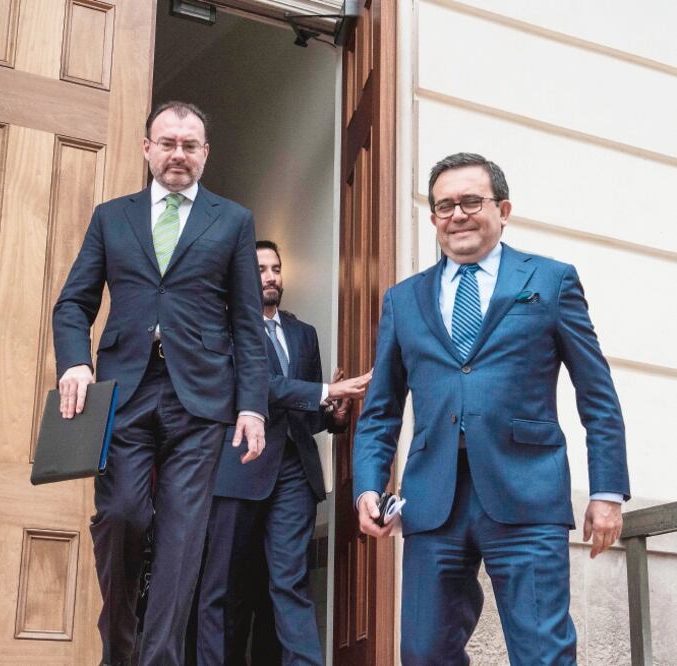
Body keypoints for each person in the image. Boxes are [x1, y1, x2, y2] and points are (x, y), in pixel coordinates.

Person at [353, 152, 630, 664]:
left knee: (541, 651)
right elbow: (381, 408)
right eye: (444, 206)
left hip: (526, 493)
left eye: (471, 201)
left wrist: (606, 491)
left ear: (503, 209)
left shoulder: (551, 280)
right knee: (422, 651)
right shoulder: (403, 299)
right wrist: (368, 485)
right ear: (433, 217)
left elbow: (597, 392)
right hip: (433, 502)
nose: (457, 214)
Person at [53, 101, 269, 666]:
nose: (178, 153)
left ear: (205, 154)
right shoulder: (111, 216)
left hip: (200, 400)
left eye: (189, 144)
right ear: (147, 148)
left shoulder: (233, 220)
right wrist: (75, 362)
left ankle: (162, 659)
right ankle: (120, 645)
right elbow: (73, 304)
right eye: (167, 142)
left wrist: (253, 407)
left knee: (181, 538)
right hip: (124, 393)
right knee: (122, 514)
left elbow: (248, 324)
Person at [195, 241, 372, 666]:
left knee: (290, 583)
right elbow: (254, 386)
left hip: (295, 472)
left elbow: (302, 413)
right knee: (223, 588)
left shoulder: (303, 333)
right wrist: (325, 390)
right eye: (260, 269)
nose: (271, 276)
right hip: (239, 469)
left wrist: (333, 416)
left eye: (276, 268)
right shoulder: (223, 329)